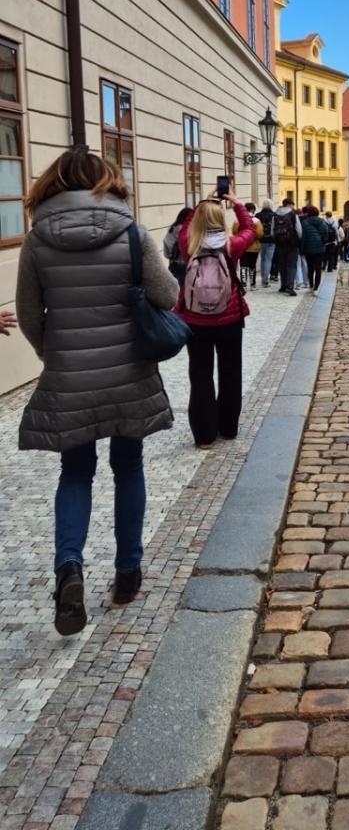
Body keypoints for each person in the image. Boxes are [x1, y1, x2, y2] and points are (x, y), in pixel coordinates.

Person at [16, 149, 178, 635]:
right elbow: (167, 296)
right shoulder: (132, 232)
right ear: (107, 182)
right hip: (129, 369)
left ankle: (69, 568)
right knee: (128, 468)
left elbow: (28, 313)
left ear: (52, 185)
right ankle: (128, 574)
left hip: (69, 375)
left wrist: (56, 354)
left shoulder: (38, 238)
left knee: (75, 472)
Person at [177, 189, 257, 448]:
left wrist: (202, 202)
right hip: (229, 318)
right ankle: (228, 428)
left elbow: (184, 227)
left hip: (195, 320)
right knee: (230, 372)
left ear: (199, 218)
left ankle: (204, 436)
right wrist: (236, 203)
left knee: (200, 375)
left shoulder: (189, 244)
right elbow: (250, 228)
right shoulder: (231, 245)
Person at [272, 196, 301, 296]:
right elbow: (299, 230)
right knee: (291, 265)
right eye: (292, 205)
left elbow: (272, 230)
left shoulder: (275, 214)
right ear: (289, 204)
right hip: (292, 243)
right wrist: (298, 239)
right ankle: (290, 287)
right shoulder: (293, 214)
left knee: (282, 264)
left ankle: (283, 286)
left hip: (279, 243)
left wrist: (276, 239)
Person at [301, 205, 328, 294]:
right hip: (320, 249)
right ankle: (316, 288)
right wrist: (323, 242)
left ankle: (311, 286)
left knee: (310, 268)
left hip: (308, 249)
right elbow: (325, 235)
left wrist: (302, 249)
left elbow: (303, 237)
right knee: (318, 269)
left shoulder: (304, 223)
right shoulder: (322, 222)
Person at [236, 201, 263, 288]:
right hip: (254, 246)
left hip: (242, 245)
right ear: (252, 210)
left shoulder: (238, 220)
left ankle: (243, 283)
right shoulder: (256, 221)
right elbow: (260, 233)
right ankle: (252, 284)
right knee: (252, 265)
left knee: (243, 264)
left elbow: (234, 231)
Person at [163, 207, 192, 285]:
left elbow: (166, 254)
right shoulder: (188, 232)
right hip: (188, 270)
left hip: (173, 270)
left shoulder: (170, 231)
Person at [257, 199, 276, 286]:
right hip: (271, 240)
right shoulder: (274, 215)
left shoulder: (258, 215)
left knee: (263, 259)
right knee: (268, 260)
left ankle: (262, 278)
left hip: (260, 240)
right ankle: (265, 280)